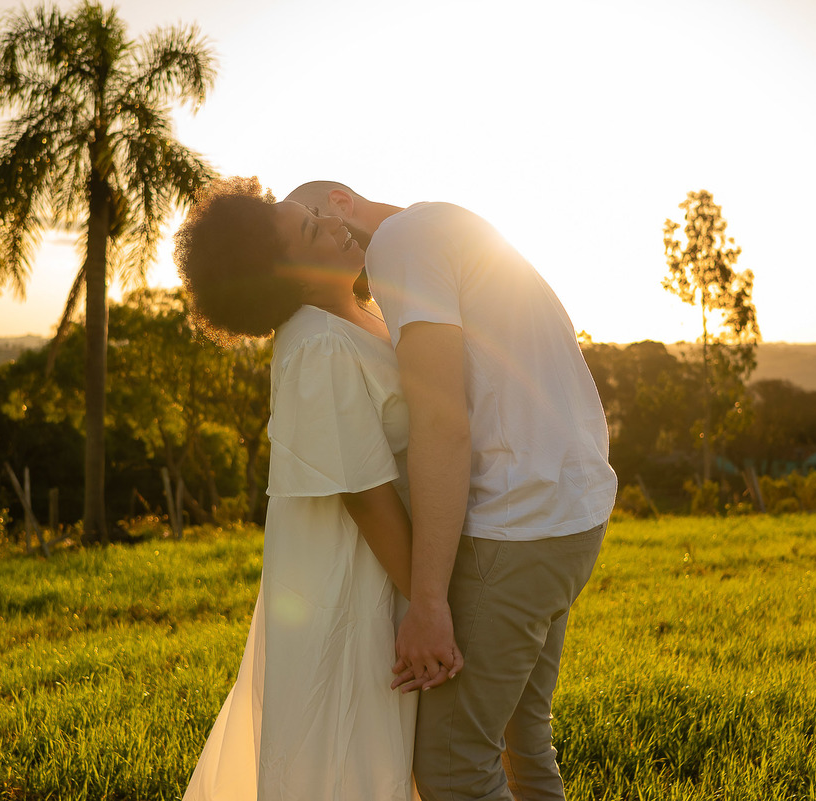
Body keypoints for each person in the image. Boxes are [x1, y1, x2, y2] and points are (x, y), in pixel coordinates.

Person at [283, 181, 617, 801]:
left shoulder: (401, 246)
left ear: (340, 200)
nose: (318, 239)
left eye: (312, 221)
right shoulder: (444, 226)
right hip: (573, 511)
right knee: (523, 733)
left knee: (453, 769)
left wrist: (428, 602)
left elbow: (441, 421)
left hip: (518, 528)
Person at [174, 177, 447, 801]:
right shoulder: (316, 342)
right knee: (348, 759)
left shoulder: (362, 313)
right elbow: (366, 496)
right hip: (355, 587)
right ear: (286, 277)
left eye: (316, 213)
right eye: (310, 228)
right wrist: (432, 609)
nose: (333, 223)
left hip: (393, 571)